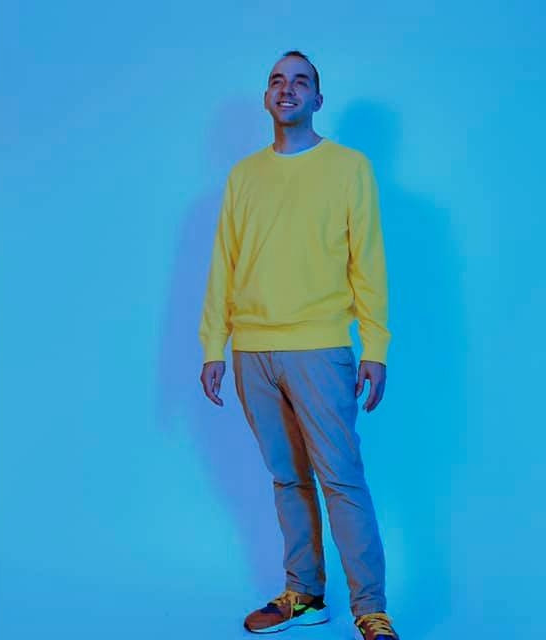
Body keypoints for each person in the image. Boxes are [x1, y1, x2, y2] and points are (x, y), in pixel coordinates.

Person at [198, 50, 400, 640]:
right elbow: (223, 265)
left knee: (341, 479)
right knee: (287, 478)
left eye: (300, 81)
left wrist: (375, 346)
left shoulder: (349, 167)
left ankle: (371, 610)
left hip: (320, 348)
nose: (287, 89)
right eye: (277, 81)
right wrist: (213, 346)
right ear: (267, 97)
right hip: (251, 352)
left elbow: (368, 262)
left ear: (317, 98)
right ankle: (306, 594)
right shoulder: (244, 175)